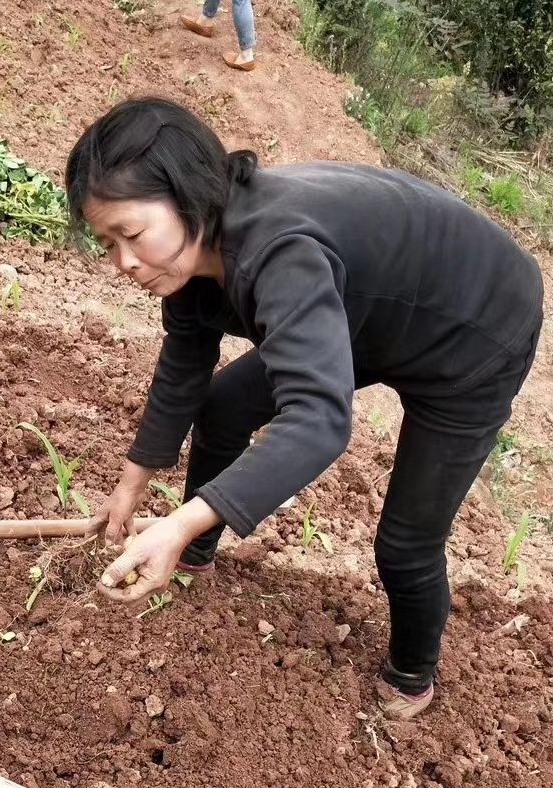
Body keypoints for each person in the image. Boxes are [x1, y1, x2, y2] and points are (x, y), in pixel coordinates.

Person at [65, 98, 544, 719]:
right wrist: (132, 485)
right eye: (107, 244)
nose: (124, 262)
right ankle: (195, 555)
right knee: (223, 405)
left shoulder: (279, 251)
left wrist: (176, 520)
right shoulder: (190, 261)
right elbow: (185, 365)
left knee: (405, 541)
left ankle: (412, 675)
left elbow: (318, 420)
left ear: (189, 196)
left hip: (473, 330)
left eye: (131, 234)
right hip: (366, 311)